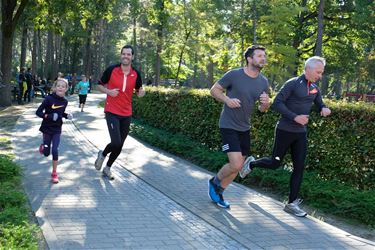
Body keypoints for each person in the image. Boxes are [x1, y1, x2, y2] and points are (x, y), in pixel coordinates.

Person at [239, 56, 331, 217]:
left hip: (300, 133)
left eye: (321, 72)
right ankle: (252, 164)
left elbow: (319, 102)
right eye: (318, 72)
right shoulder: (293, 83)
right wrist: (295, 117)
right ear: (308, 69)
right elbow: (277, 103)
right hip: (285, 130)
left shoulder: (315, 87)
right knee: (275, 163)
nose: (320, 75)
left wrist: (323, 108)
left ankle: (291, 203)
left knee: (299, 167)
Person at [208, 45, 270, 208]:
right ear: (249, 59)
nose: (263, 58)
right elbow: (214, 90)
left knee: (238, 166)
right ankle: (214, 182)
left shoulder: (263, 81)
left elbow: (262, 109)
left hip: (245, 127)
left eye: (264, 56)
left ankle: (220, 191)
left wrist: (265, 104)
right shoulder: (235, 74)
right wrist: (227, 100)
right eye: (259, 56)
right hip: (228, 124)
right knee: (235, 164)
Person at [94, 45, 145, 180]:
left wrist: (141, 93)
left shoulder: (136, 73)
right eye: (124, 54)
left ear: (132, 57)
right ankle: (103, 154)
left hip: (126, 113)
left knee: (120, 144)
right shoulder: (112, 69)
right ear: (121, 55)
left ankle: (107, 168)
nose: (126, 56)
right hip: (111, 110)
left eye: (128, 54)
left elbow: (139, 91)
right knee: (116, 142)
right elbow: (98, 85)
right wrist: (109, 92)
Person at [36, 78, 73, 183]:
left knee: (55, 150)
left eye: (63, 86)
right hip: (47, 128)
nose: (60, 87)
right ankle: (43, 147)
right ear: (55, 87)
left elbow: (60, 113)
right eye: (58, 85)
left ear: (66, 89)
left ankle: (54, 173)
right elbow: (38, 112)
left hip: (57, 129)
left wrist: (67, 116)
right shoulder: (48, 99)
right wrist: (49, 116)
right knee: (46, 153)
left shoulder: (65, 101)